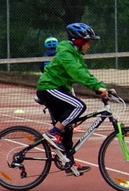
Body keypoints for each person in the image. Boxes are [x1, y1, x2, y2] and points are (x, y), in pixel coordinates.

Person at [36, 22, 115, 168]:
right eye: (88, 42)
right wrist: (97, 88)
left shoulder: (76, 55)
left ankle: (68, 162)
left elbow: (84, 73)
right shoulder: (66, 54)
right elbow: (76, 72)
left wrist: (103, 88)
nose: (89, 46)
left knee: (68, 127)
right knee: (79, 106)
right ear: (79, 41)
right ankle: (52, 133)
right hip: (49, 88)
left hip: (60, 90)